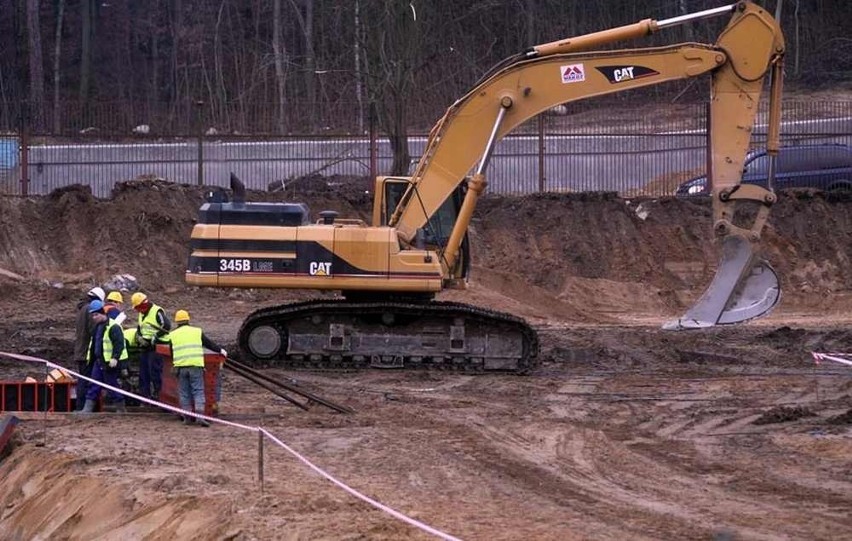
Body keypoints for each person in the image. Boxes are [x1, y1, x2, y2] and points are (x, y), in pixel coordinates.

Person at [165, 309, 227, 427]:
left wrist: (175, 364)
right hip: (195, 366)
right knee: (198, 391)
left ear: (177, 322)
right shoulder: (196, 331)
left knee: (184, 392)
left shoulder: (172, 335)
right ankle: (199, 417)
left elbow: (172, 352)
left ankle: (187, 417)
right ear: (188, 319)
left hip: (181, 367)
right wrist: (221, 350)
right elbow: (209, 344)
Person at [79, 300, 128, 413]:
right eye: (93, 315)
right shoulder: (97, 327)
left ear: (103, 313)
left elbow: (119, 344)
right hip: (99, 361)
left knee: (111, 385)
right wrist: (90, 360)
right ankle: (87, 409)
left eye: (96, 314)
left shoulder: (113, 327)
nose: (94, 317)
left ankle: (121, 408)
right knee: (94, 384)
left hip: (109, 362)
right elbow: (94, 344)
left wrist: (115, 358)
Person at [131, 292, 171, 401]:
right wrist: (139, 336)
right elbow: (140, 327)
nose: (138, 311)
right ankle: (145, 396)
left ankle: (159, 396)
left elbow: (167, 326)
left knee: (155, 372)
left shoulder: (156, 311)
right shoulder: (141, 314)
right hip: (145, 346)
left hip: (157, 346)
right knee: (144, 373)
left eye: (138, 308)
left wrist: (155, 337)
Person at [73, 286, 105, 410]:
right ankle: (82, 408)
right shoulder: (89, 310)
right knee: (85, 381)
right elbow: (94, 330)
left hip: (81, 351)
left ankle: (81, 407)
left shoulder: (82, 309)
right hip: (86, 352)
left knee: (83, 380)